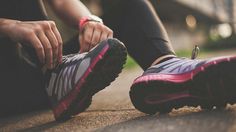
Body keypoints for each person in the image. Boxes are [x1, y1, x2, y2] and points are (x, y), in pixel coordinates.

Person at [0, 0, 236, 121]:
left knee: (125, 4)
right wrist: (9, 26)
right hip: (8, 83)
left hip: (44, 63)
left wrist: (89, 21)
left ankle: (166, 66)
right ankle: (54, 77)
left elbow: (60, 1)